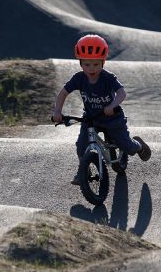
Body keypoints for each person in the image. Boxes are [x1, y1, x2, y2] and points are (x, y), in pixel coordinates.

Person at [52, 34, 151, 185]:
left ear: (103, 62)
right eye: (87, 64)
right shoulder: (79, 78)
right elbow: (63, 93)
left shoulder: (108, 78)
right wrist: (57, 111)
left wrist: (112, 106)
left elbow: (121, 93)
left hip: (113, 118)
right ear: (80, 63)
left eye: (96, 64)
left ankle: (138, 145)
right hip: (91, 119)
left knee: (127, 146)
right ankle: (83, 170)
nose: (91, 68)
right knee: (81, 146)